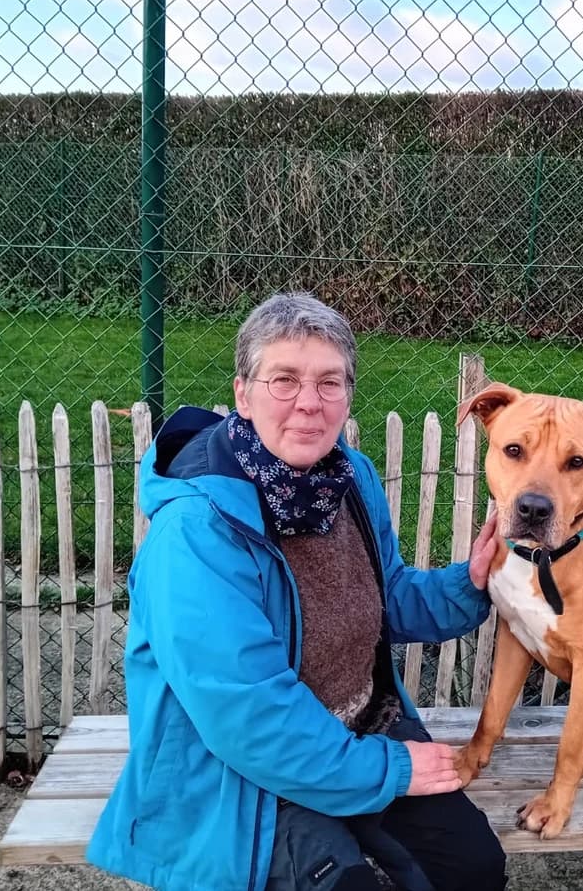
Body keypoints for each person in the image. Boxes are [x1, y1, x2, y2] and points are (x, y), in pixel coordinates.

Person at [86, 293, 506, 891]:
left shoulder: (349, 478)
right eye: (284, 380)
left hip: (358, 730)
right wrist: (386, 769)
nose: (309, 402)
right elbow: (248, 716)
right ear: (243, 394)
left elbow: (385, 598)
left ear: (347, 397)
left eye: (329, 382)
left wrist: (470, 582)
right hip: (242, 774)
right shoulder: (196, 531)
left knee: (474, 867)